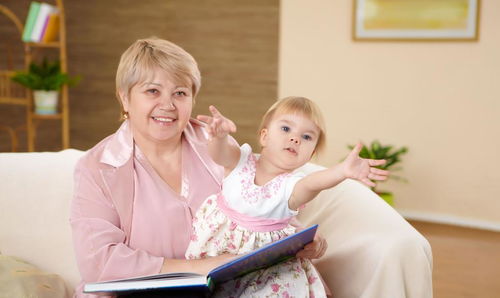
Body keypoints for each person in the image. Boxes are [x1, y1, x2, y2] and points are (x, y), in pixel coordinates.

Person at [70, 37, 432, 298]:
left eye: (180, 92)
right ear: (124, 97)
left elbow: (268, 198)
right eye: (152, 91)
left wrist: (304, 243)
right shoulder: (97, 168)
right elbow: (99, 264)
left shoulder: (217, 144)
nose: (167, 105)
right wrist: (207, 265)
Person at [185, 97, 389, 297]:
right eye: (285, 129)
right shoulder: (240, 160)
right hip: (218, 250)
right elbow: (219, 154)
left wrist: (342, 171)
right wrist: (218, 137)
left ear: (310, 155)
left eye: (307, 137)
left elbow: (314, 182)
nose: (295, 138)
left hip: (265, 265)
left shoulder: (292, 186)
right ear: (264, 136)